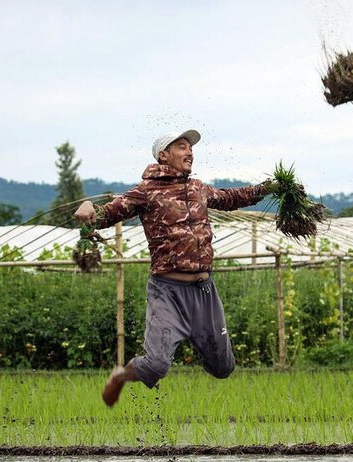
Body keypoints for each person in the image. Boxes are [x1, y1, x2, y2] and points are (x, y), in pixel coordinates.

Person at [74, 130, 272, 406]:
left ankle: (200, 343)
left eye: (190, 148)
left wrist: (268, 188)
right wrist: (88, 207)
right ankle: (121, 376)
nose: (189, 152)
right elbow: (107, 214)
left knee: (223, 367)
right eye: (182, 146)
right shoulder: (145, 192)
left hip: (204, 292)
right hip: (168, 291)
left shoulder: (198, 188)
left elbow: (232, 197)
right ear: (163, 155)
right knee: (156, 365)